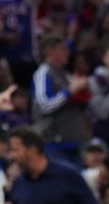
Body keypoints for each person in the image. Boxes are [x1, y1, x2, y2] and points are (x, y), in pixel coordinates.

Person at [31, 34, 90, 168]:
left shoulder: (64, 74)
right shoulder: (43, 73)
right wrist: (70, 91)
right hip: (53, 143)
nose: (67, 53)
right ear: (50, 52)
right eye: (63, 49)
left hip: (73, 141)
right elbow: (44, 105)